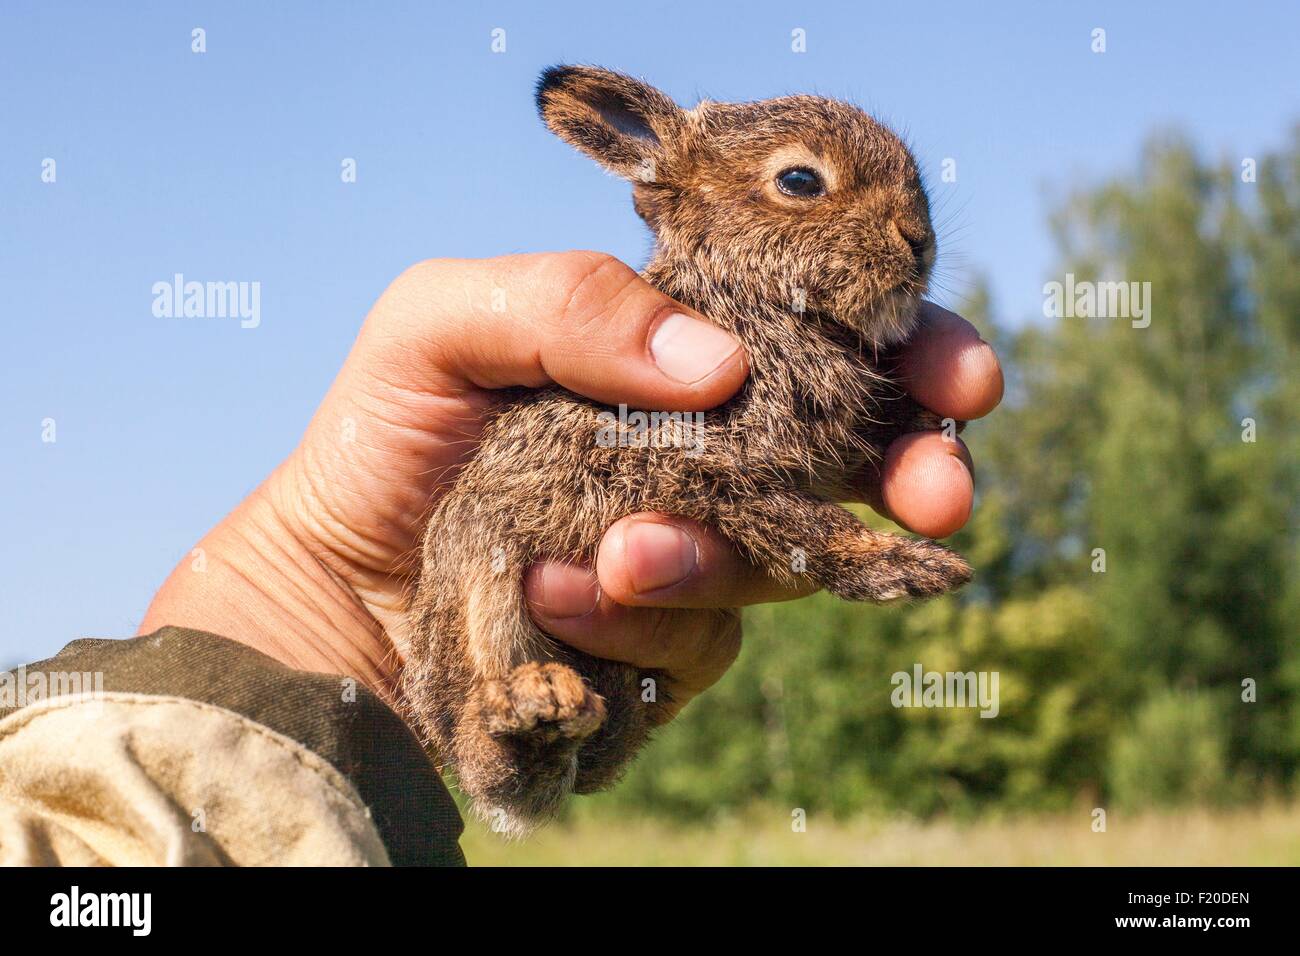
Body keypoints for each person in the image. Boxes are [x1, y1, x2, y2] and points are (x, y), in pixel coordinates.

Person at [0, 253, 1003, 866]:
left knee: (618, 650)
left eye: (908, 208)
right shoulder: (695, 327)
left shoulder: (831, 356)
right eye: (802, 186)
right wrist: (838, 547)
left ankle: (549, 736)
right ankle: (502, 723)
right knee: (481, 529)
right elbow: (707, 473)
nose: (904, 236)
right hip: (500, 563)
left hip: (543, 639)